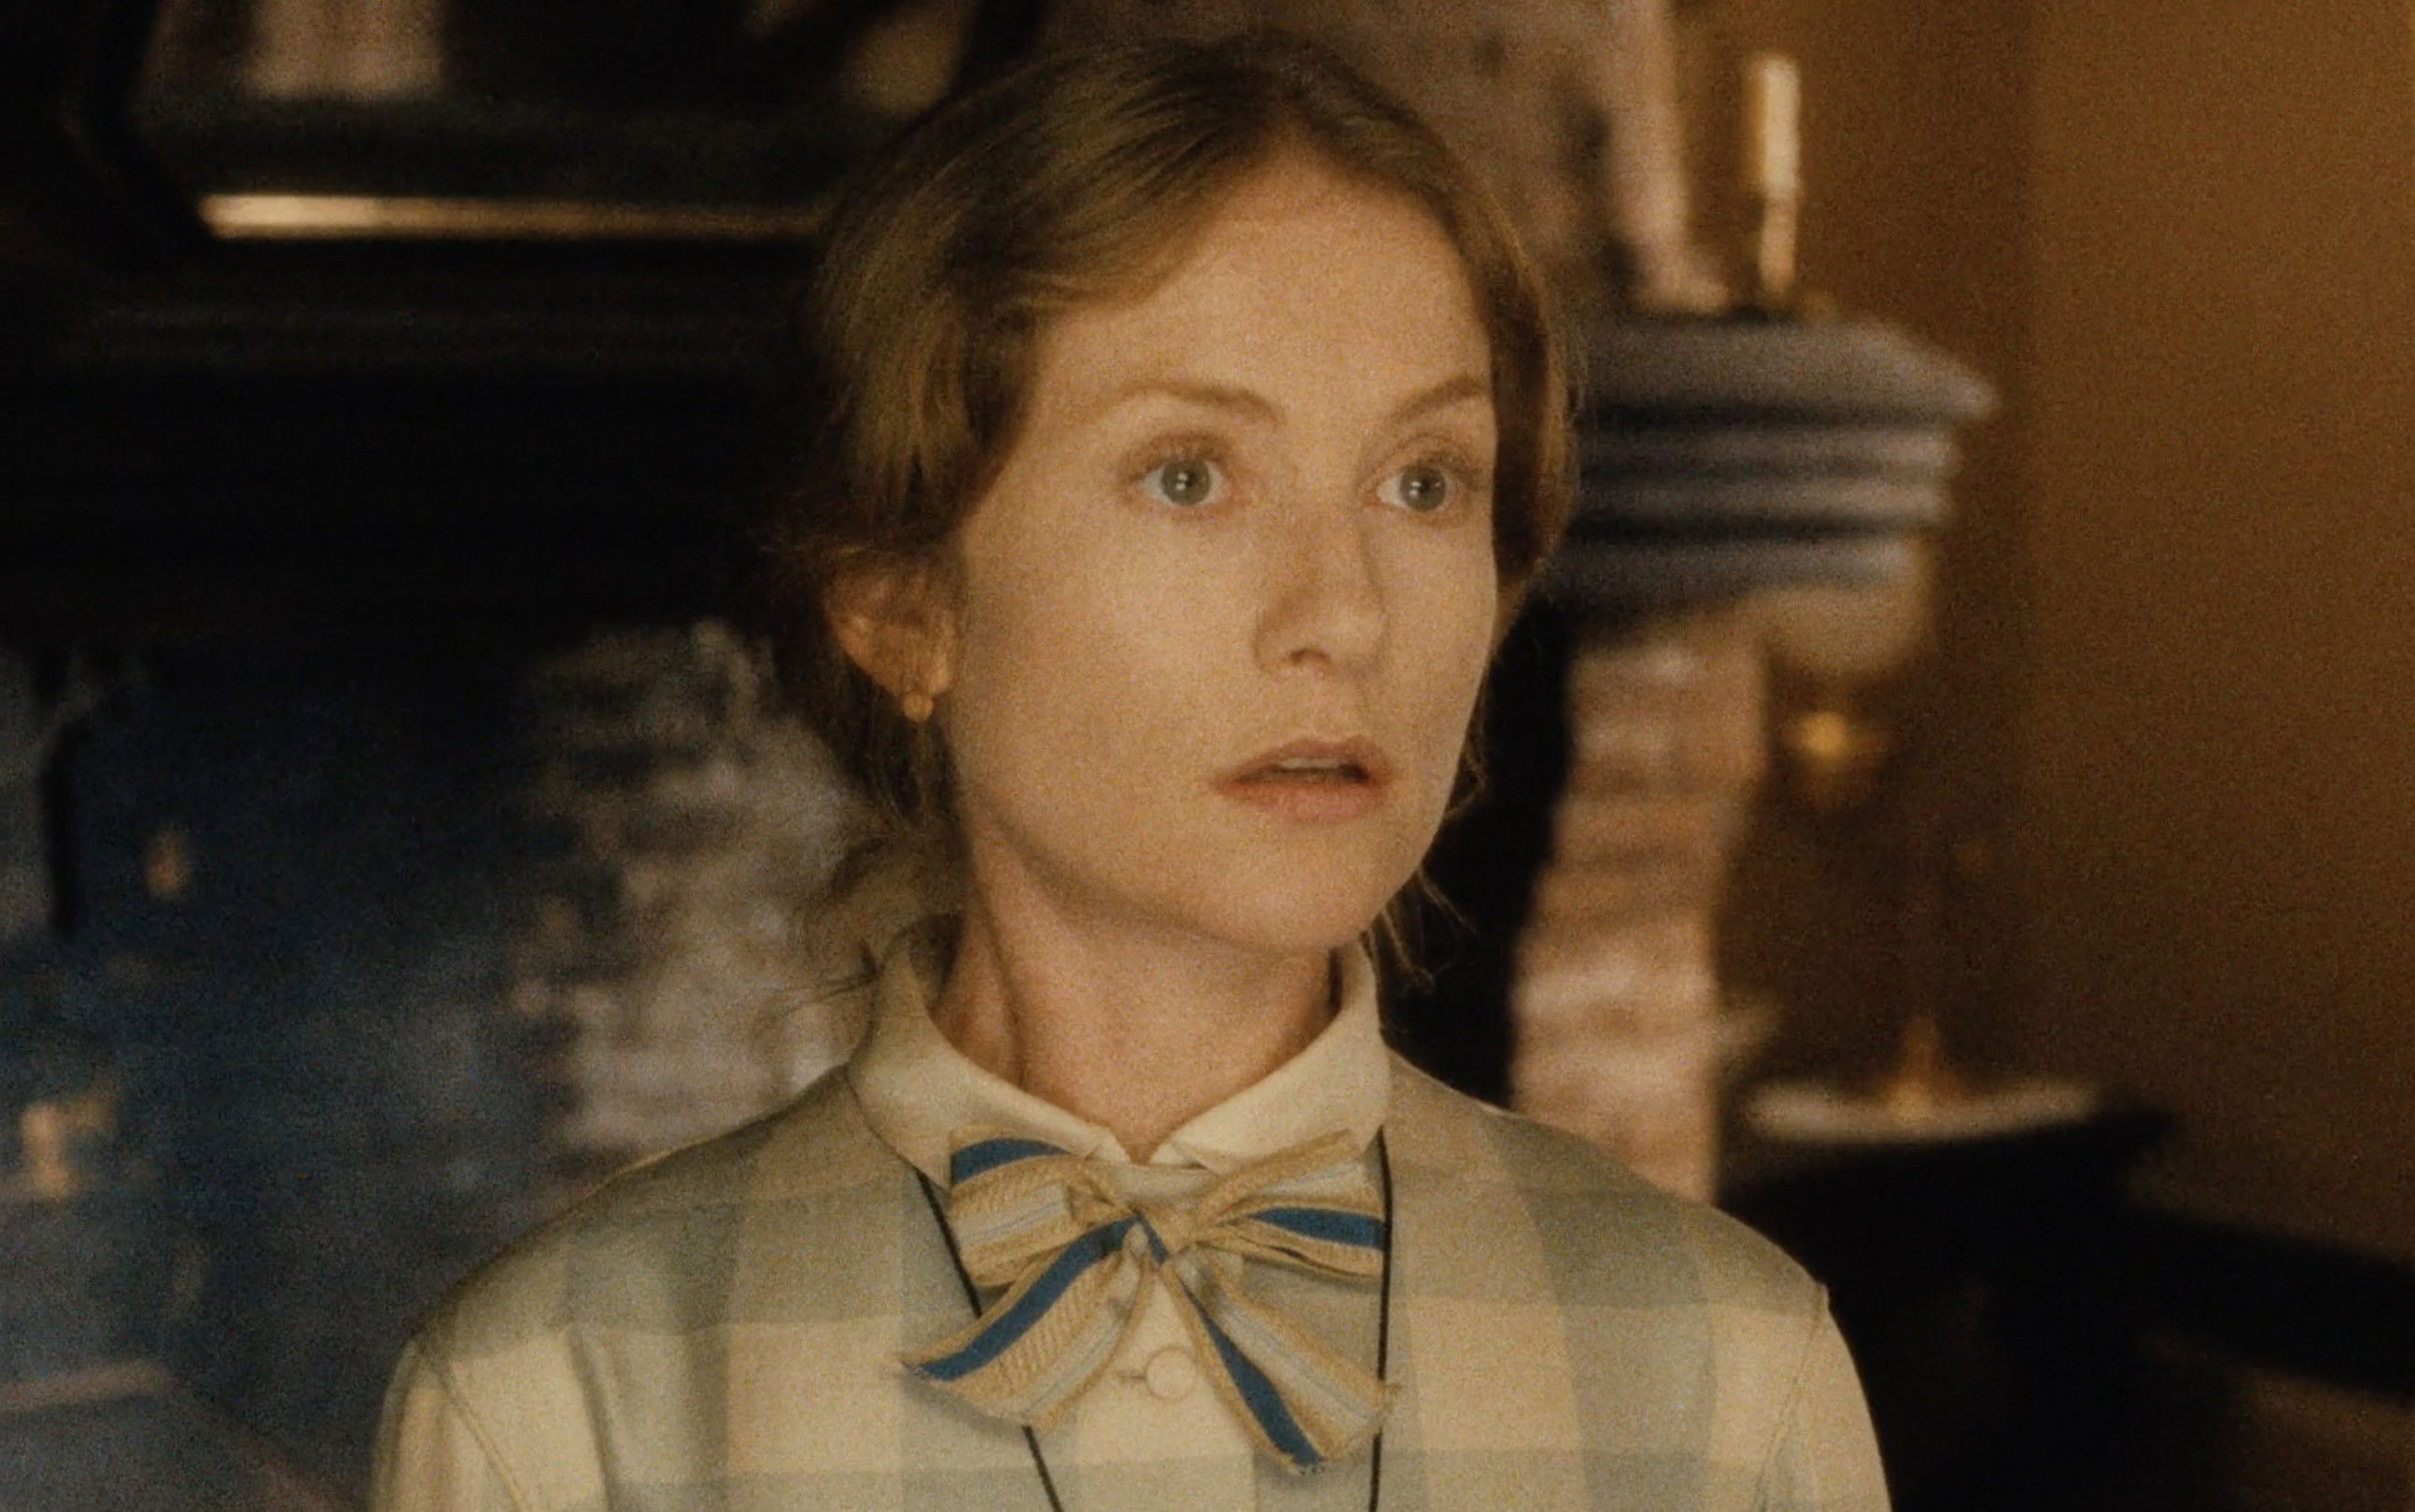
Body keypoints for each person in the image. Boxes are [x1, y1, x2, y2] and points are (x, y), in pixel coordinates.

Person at [370, 34, 1888, 1512]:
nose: (1346, 613)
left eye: (1423, 483)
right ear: (901, 607)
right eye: (1189, 476)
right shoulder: (559, 1406)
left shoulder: (1726, 1373)